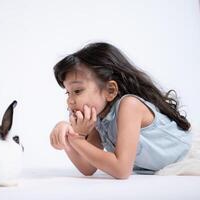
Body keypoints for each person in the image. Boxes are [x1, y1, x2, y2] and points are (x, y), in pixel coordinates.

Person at [49, 42, 193, 179]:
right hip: (165, 167)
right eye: (68, 93)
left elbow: (121, 169)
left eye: (77, 91)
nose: (70, 101)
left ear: (110, 90)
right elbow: (88, 168)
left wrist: (78, 140)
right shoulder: (98, 118)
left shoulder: (129, 106)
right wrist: (70, 136)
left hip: (187, 157)